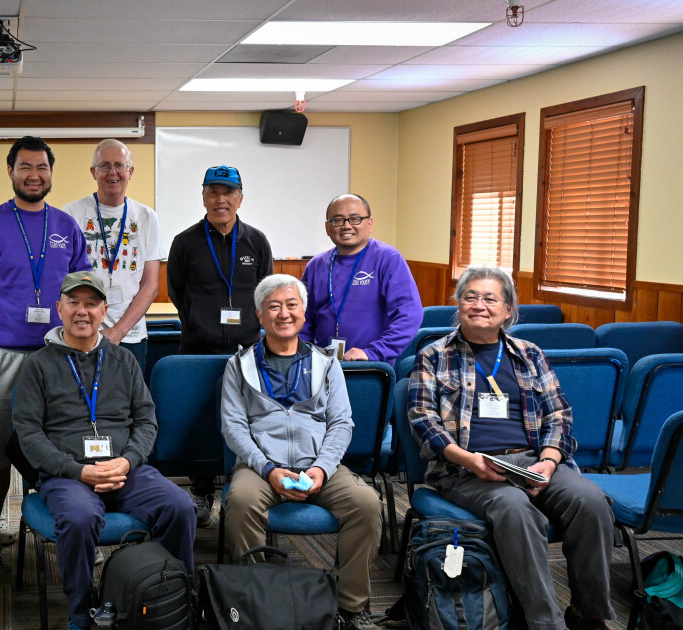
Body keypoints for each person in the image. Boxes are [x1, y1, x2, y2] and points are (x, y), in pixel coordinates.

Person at [408, 265, 614, 630]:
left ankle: (589, 613)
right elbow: (424, 421)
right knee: (516, 509)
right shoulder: (434, 355)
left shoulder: (529, 354)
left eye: (490, 298)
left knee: (591, 502)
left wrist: (549, 463)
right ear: (458, 306)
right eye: (470, 297)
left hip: (534, 461)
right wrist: (469, 460)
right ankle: (544, 622)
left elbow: (559, 415)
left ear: (508, 310)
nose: (479, 305)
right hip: (466, 469)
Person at [13, 271, 195, 630]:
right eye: (74, 303)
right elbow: (28, 434)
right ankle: (81, 613)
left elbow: (146, 421)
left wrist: (127, 461)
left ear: (104, 310)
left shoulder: (124, 360)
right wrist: (79, 471)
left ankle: (173, 597)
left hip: (126, 469)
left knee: (180, 507)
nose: (83, 311)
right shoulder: (37, 365)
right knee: (80, 519)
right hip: (69, 475)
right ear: (59, 309)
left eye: (91, 303)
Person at [221, 274, 383, 630]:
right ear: (259, 316)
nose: (283, 313)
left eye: (291, 305)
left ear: (303, 312)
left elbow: (342, 424)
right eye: (273, 306)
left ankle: (351, 607)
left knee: (367, 504)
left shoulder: (326, 363)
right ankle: (260, 601)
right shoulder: (239, 366)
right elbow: (233, 427)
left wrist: (322, 469)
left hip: (319, 466)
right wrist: (267, 469)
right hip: (261, 467)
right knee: (241, 501)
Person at [0, 136, 89, 579]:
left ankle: (65, 528)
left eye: (42, 167)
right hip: (4, 358)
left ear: (51, 173)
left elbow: (81, 294)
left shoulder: (67, 225)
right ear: (11, 172)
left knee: (61, 448)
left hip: (57, 358)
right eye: (25, 167)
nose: (34, 175)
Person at [166, 164, 272, 526]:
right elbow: (177, 293)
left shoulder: (256, 241)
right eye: (213, 191)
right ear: (204, 197)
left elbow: (265, 292)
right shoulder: (185, 242)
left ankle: (237, 492)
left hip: (246, 354)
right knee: (201, 425)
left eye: (228, 192)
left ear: (240, 198)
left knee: (246, 425)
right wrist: (202, 320)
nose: (221, 199)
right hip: (198, 352)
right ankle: (201, 491)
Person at [62, 139, 166, 373]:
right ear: (93, 172)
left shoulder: (147, 217)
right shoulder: (71, 213)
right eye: (104, 166)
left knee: (125, 404)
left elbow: (150, 285)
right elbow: (63, 279)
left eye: (119, 165)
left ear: (130, 171)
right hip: (81, 333)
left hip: (130, 336)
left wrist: (117, 332)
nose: (113, 172)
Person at [300, 194, 421, 365]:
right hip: (322, 365)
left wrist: (374, 352)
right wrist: (303, 353)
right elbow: (303, 319)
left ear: (370, 224)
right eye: (337, 220)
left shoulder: (388, 259)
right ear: (327, 227)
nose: (346, 226)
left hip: (371, 365)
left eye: (355, 219)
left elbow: (409, 315)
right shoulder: (315, 266)